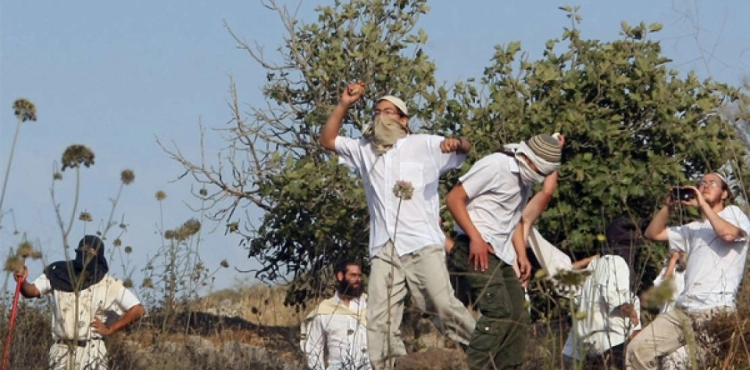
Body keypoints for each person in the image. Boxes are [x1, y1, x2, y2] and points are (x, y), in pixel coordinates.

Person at [320, 83, 476, 370]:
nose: (382, 118)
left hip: (422, 242)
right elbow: (328, 140)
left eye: (389, 112)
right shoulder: (364, 150)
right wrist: (344, 104)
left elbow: (464, 149)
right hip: (384, 246)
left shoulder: (424, 144)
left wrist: (457, 142)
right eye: (377, 112)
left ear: (404, 120)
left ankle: (486, 349)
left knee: (440, 302)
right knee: (380, 317)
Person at [445, 133, 563, 370]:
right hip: (472, 246)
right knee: (498, 310)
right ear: (528, 158)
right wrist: (475, 238)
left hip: (502, 253)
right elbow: (454, 198)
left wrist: (521, 254)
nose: (538, 177)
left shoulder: (525, 180)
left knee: (518, 316)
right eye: (538, 170)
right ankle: (476, 365)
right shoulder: (496, 165)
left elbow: (514, 218)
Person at [626, 173, 750, 370]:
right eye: (702, 183)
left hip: (714, 311)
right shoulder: (693, 228)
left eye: (712, 183)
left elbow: (728, 235)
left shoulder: (733, 213)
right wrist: (668, 207)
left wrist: (703, 205)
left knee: (690, 365)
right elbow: (652, 233)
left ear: (725, 193)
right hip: (682, 310)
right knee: (636, 351)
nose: (705, 186)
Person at [13, 235, 145, 370]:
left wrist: (110, 329)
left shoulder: (107, 283)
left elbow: (137, 309)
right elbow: (32, 291)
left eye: (91, 251)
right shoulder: (59, 274)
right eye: (83, 248)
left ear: (98, 256)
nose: (86, 253)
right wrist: (22, 281)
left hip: (92, 351)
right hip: (61, 351)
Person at [562, 217, 642, 370]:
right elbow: (614, 296)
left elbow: (566, 277)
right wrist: (629, 311)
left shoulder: (595, 264)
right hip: (610, 341)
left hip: (586, 345)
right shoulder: (617, 262)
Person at [301, 260, 370, 370]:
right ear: (340, 276)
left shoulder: (368, 306)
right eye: (353, 275)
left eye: (359, 275)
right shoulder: (324, 310)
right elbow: (313, 349)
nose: (358, 280)